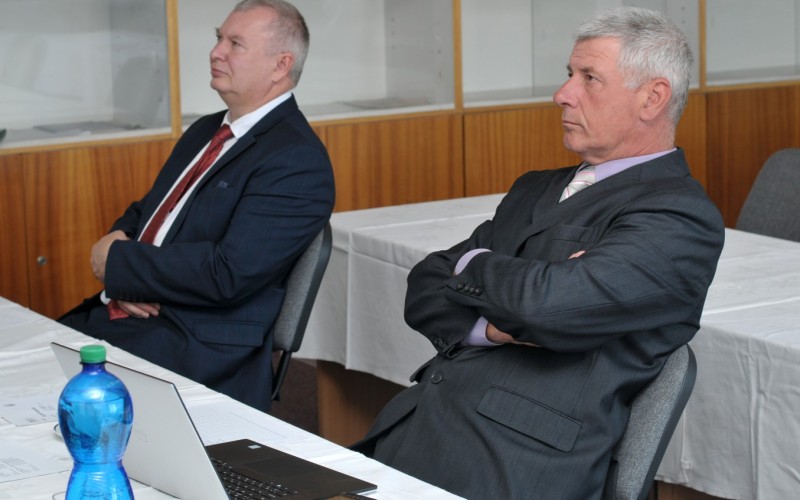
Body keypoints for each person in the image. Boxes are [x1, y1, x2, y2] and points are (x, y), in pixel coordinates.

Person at [352, 7, 724, 499]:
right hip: (418, 425)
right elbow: (424, 285)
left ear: (652, 98)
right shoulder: (534, 188)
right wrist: (492, 322)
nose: (562, 94)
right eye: (569, 74)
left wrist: (472, 264)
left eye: (589, 78)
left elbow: (547, 308)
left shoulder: (679, 215)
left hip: (513, 467)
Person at [59, 0, 334, 413]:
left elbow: (229, 274)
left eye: (235, 43)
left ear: (281, 65)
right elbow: (149, 211)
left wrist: (120, 267)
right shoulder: (208, 129)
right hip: (134, 318)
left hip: (194, 347)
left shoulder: (297, 160)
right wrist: (120, 246)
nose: (216, 52)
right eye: (218, 38)